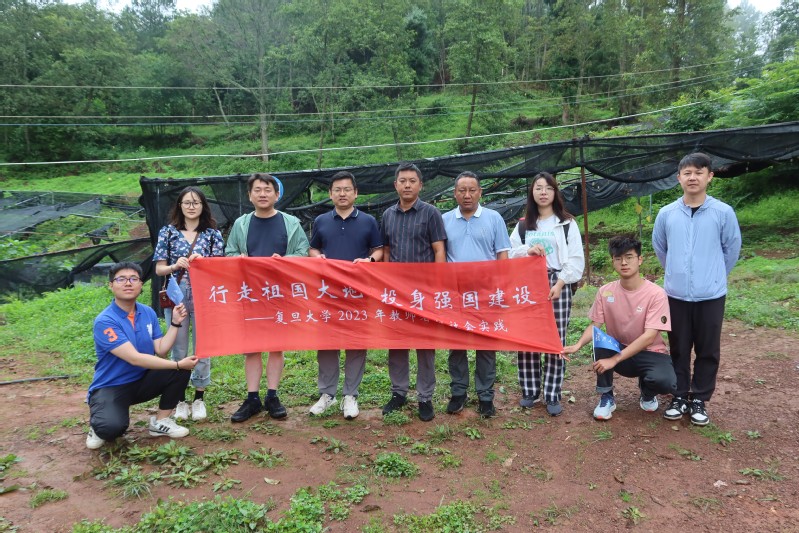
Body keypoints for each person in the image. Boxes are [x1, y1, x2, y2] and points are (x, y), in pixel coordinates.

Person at [652, 152, 741, 426]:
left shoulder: (722, 212)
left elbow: (731, 249)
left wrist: (713, 276)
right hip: (676, 295)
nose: (693, 177)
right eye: (687, 173)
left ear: (709, 177)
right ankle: (679, 396)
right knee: (678, 347)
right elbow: (661, 248)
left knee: (708, 349)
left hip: (711, 295)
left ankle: (700, 398)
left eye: (699, 172)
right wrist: (678, 273)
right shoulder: (667, 214)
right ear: (678, 178)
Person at [225, 173, 310, 423]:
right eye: (257, 190)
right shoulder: (241, 224)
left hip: (279, 293)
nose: (263, 194)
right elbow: (229, 252)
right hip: (250, 293)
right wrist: (238, 260)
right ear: (250, 195)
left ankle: (272, 396)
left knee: (276, 346)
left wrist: (284, 261)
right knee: (251, 348)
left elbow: (303, 252)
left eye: (267, 190)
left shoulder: (290, 223)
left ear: (277, 194)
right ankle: (252, 397)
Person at [86, 262, 199, 450]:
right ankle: (98, 425)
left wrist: (175, 323)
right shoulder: (105, 321)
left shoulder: (147, 312)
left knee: (179, 371)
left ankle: (160, 422)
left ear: (141, 284)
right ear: (111, 285)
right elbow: (134, 358)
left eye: (133, 279)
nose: (128, 283)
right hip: (111, 386)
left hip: (141, 381)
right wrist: (178, 364)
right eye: (121, 279)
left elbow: (161, 349)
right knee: (111, 429)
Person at [562, 236, 677, 420]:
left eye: (629, 257)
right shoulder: (605, 291)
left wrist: (614, 360)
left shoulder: (656, 294)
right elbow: (595, 325)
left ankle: (648, 392)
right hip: (618, 348)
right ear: (613, 262)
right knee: (601, 341)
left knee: (666, 382)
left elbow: (649, 337)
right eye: (618, 258)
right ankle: (606, 396)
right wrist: (577, 345)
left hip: (649, 352)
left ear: (640, 259)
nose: (624, 262)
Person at [308, 171, 383, 420]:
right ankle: (327, 393)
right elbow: (313, 247)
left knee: (356, 342)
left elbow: (378, 249)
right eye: (337, 190)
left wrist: (370, 260)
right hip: (328, 292)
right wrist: (317, 257)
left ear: (355, 193)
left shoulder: (368, 221)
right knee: (327, 342)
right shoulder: (321, 220)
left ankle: (350, 394)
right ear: (330, 194)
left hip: (358, 292)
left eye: (347, 189)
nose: (342, 194)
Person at [509, 172, 584, 416]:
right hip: (528, 283)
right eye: (538, 188)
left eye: (548, 188)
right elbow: (509, 254)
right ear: (532, 192)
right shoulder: (523, 225)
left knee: (555, 336)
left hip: (557, 281)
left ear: (555, 192)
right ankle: (530, 390)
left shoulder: (566, 223)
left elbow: (576, 259)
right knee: (528, 336)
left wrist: (561, 283)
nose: (543, 192)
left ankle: (552, 393)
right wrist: (527, 251)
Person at [380, 162, 447, 421]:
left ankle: (425, 397)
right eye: (402, 181)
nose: (407, 185)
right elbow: (387, 251)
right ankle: (398, 392)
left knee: (424, 343)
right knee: (397, 342)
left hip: (424, 291)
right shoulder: (388, 215)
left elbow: (439, 250)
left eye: (412, 181)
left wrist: (436, 285)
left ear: (421, 185)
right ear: (395, 185)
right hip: (397, 291)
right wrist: (387, 283)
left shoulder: (431, 213)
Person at [442, 171, 511, 418]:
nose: (467, 195)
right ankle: (458, 392)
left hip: (486, 294)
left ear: (480, 192)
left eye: (472, 190)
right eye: (462, 190)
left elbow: (502, 255)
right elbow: (440, 256)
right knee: (456, 345)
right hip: (456, 294)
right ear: (455, 194)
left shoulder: (494, 218)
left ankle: (485, 396)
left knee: (486, 345)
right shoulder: (444, 220)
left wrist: (501, 288)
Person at [153, 186, 224, 422]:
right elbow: (159, 269)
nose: (191, 207)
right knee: (179, 347)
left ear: (203, 206)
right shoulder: (168, 232)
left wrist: (205, 262)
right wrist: (175, 265)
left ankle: (199, 398)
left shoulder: (212, 234)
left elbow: (221, 268)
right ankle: (180, 399)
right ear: (179, 206)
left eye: (196, 203)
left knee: (203, 347)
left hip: (205, 295)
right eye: (187, 202)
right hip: (177, 295)